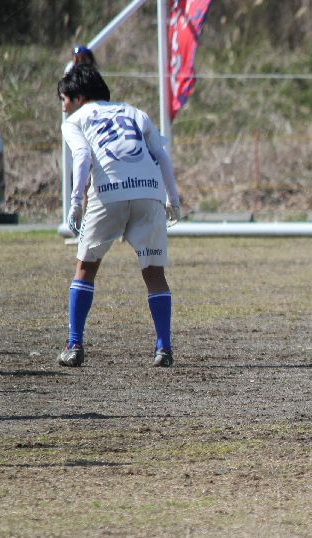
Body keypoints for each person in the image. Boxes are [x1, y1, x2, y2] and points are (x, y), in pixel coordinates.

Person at [57, 64, 181, 368]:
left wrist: (75, 201)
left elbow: (83, 156)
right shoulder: (135, 112)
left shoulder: (76, 120)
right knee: (154, 273)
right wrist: (173, 199)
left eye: (64, 99)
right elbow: (161, 155)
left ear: (78, 97)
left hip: (109, 191)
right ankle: (164, 348)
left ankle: (74, 344)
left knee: (86, 267)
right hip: (149, 191)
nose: (63, 106)